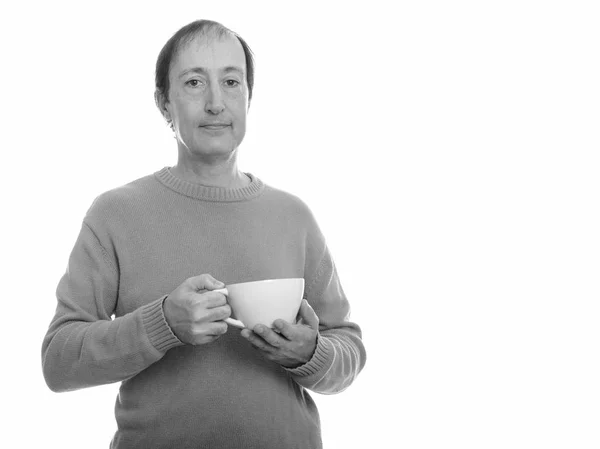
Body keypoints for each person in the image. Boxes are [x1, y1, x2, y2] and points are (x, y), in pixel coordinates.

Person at [42, 19, 366, 449]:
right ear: (163, 104)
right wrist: (163, 325)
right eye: (194, 82)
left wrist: (312, 354)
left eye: (231, 81)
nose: (216, 102)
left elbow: (348, 347)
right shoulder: (115, 214)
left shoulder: (294, 216)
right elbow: (59, 362)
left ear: (249, 97)